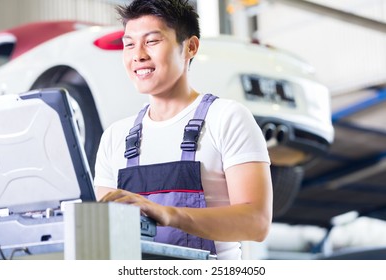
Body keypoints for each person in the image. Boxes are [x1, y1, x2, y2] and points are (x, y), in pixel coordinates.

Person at [94, 0, 273, 260]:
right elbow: (106, 231)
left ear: (190, 47)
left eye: (152, 41)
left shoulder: (226, 118)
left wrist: (168, 214)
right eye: (129, 44)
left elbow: (257, 222)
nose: (138, 55)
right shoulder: (115, 137)